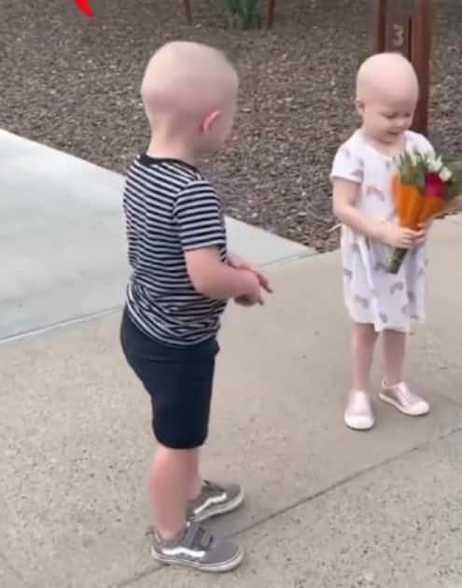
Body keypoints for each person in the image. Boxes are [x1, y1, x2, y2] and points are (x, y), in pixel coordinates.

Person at [121, 41, 270, 573]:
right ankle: (171, 533)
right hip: (176, 342)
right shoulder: (194, 192)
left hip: (142, 324)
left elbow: (174, 245)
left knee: (186, 429)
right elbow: (205, 276)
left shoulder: (141, 172)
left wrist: (231, 261)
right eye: (230, 118)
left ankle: (192, 492)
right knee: (176, 438)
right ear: (210, 122)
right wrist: (243, 283)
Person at [331, 52, 441, 430]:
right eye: (390, 114)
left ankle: (393, 382)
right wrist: (382, 231)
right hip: (367, 255)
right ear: (360, 106)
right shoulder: (353, 154)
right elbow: (342, 207)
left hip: (406, 252)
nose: (400, 122)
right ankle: (358, 389)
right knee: (366, 325)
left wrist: (426, 218)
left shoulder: (418, 147)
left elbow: (432, 191)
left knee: (398, 322)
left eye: (407, 113)